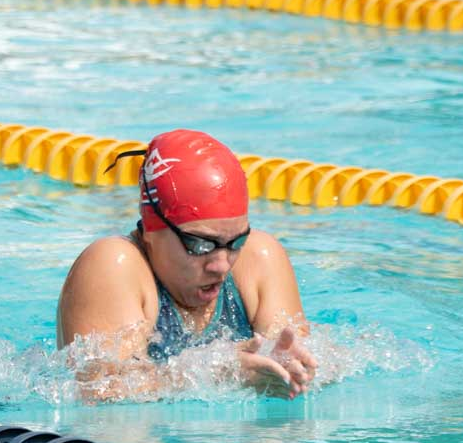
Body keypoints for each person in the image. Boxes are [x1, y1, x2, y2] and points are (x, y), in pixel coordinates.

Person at [57, 129, 316, 402]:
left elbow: (307, 362)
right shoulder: (113, 265)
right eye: (200, 244)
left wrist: (298, 369)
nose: (221, 265)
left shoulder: (259, 257)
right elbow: (102, 396)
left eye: (236, 242)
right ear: (152, 229)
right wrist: (217, 374)